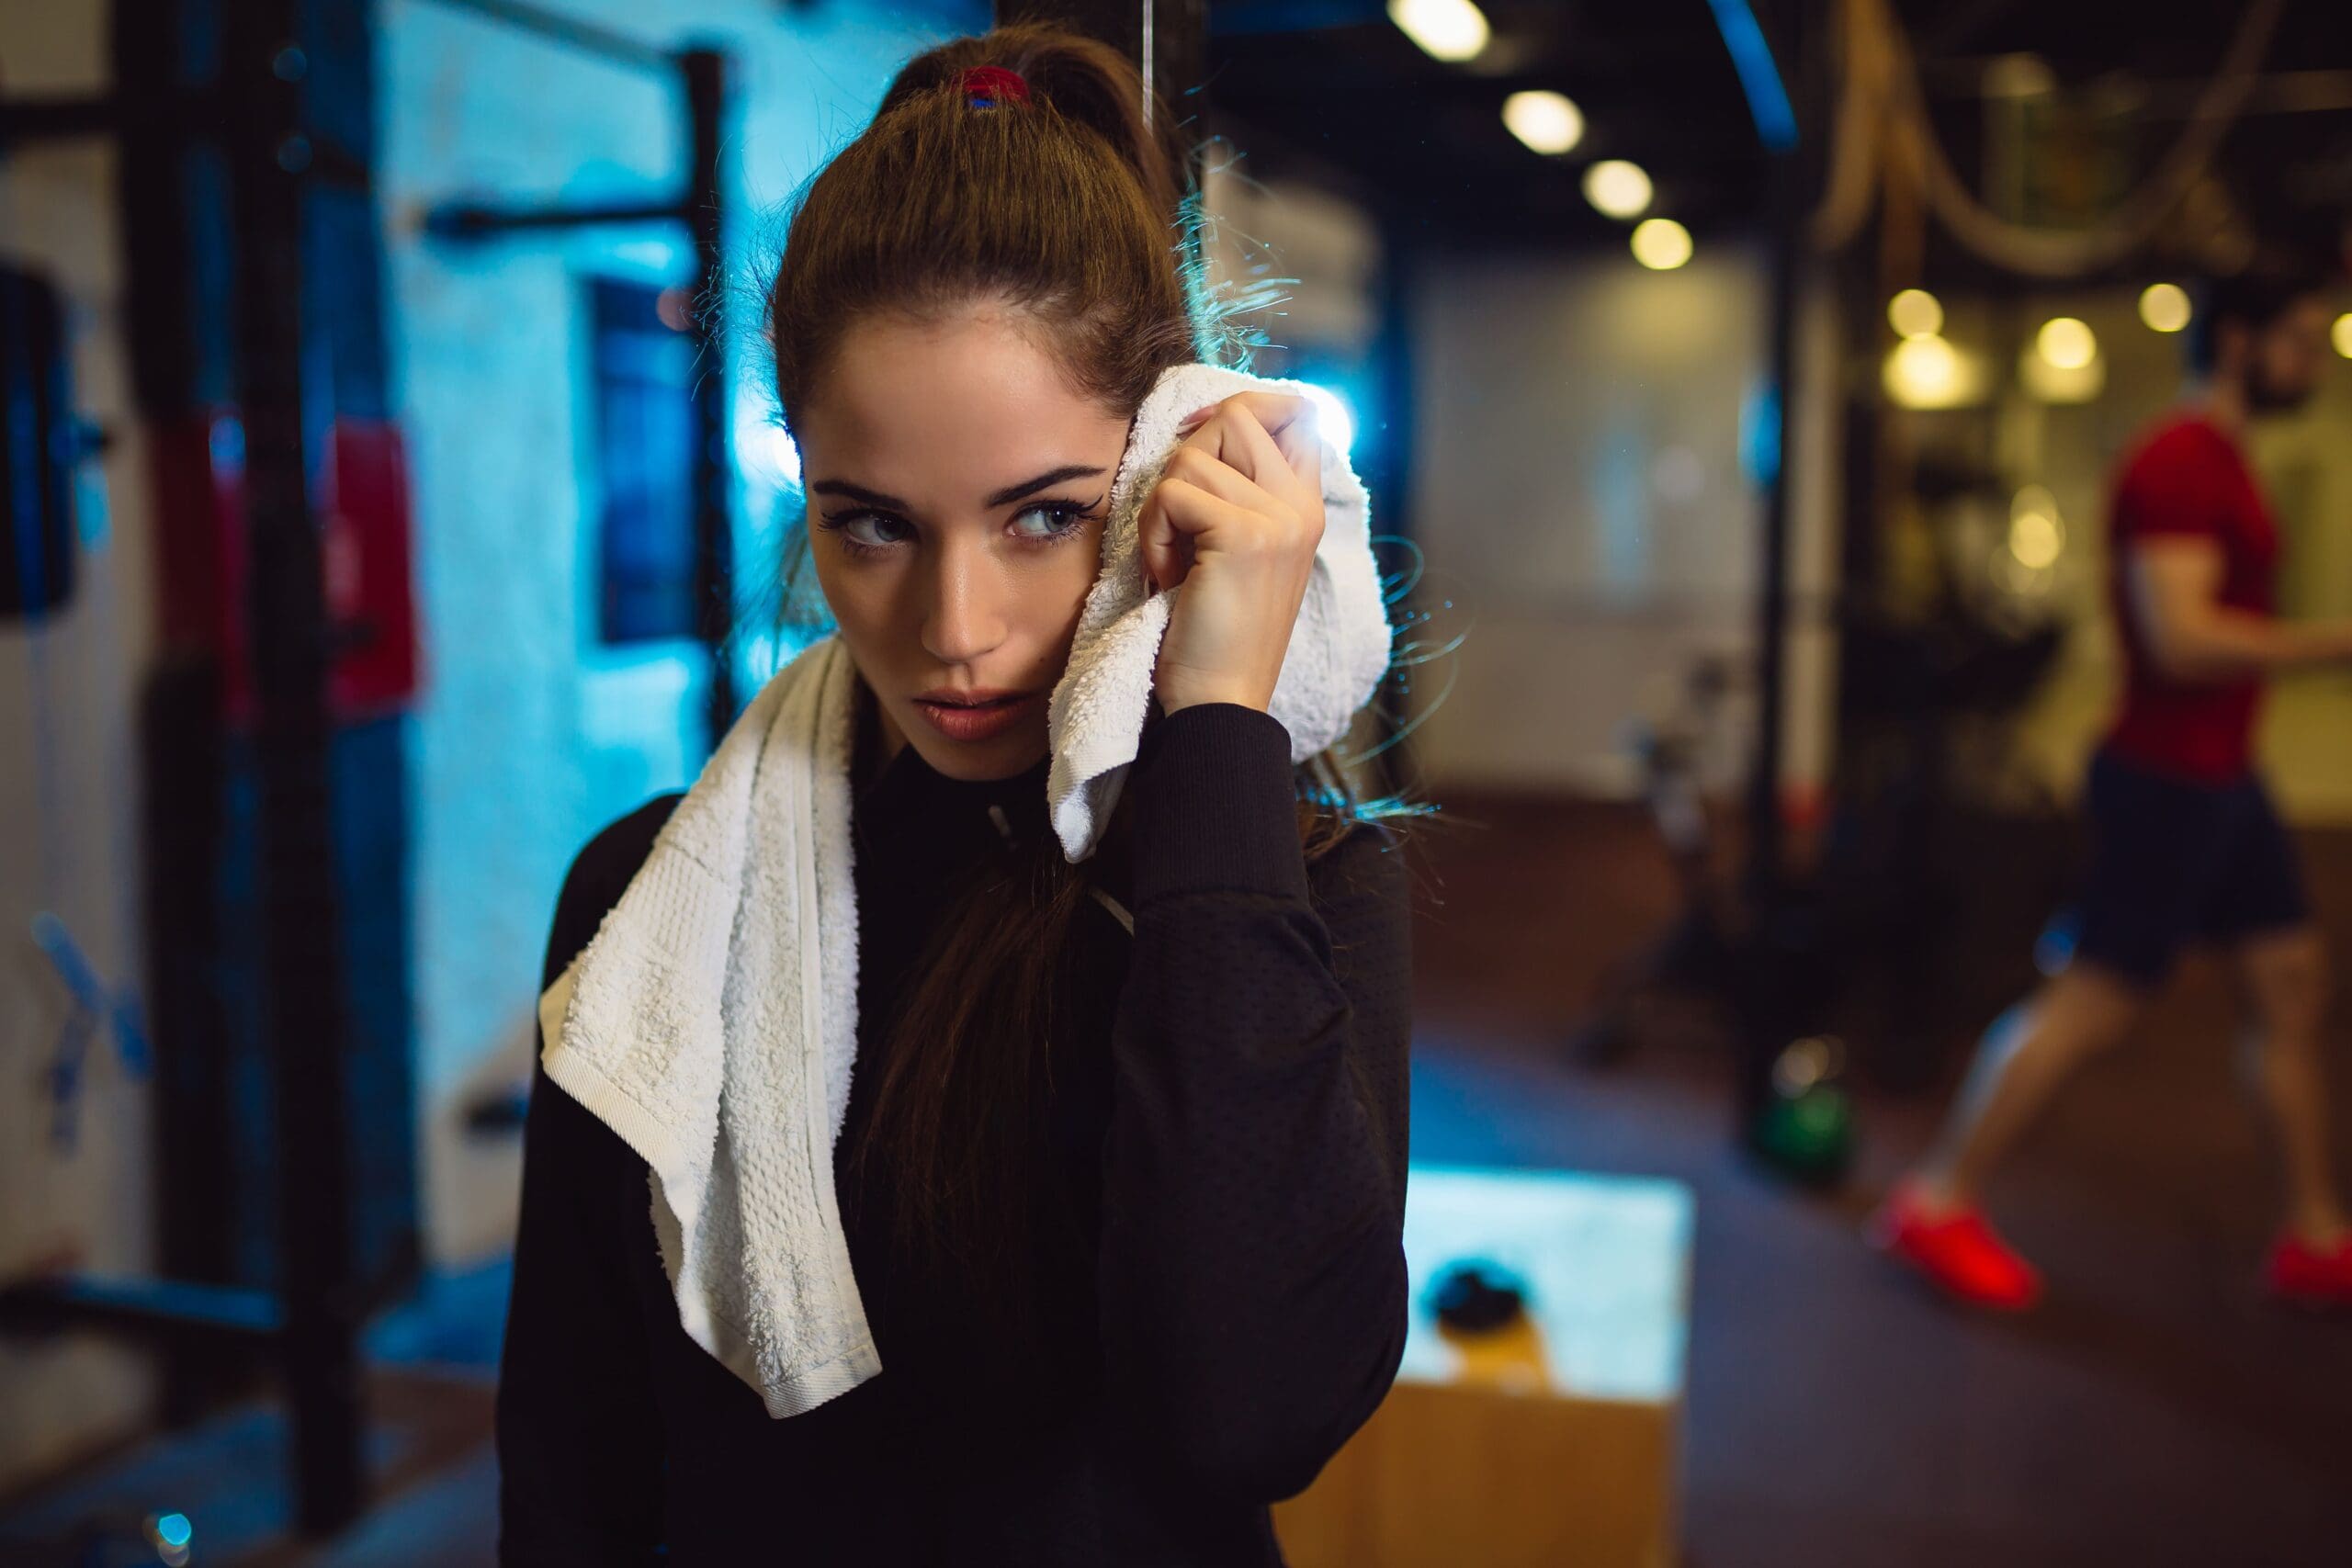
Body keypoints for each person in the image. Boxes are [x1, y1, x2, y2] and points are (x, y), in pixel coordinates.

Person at [495, 25, 1421, 1566]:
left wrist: (1215, 726)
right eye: (874, 526)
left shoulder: (1283, 892)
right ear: (804, 487)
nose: (956, 626)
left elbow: (1248, 1413)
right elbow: (572, 1461)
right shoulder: (650, 900)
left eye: (1043, 516)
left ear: (1149, 488)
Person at [1872, 263, 2352, 1312]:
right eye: (2300, 341)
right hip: (2167, 782)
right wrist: (2336, 642)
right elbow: (2180, 639)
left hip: (2227, 777)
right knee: (2092, 1005)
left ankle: (2315, 1228)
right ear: (2236, 341)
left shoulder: (2224, 458)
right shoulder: (2180, 463)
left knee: (2290, 984)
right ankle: (1937, 1198)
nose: (2310, 363)